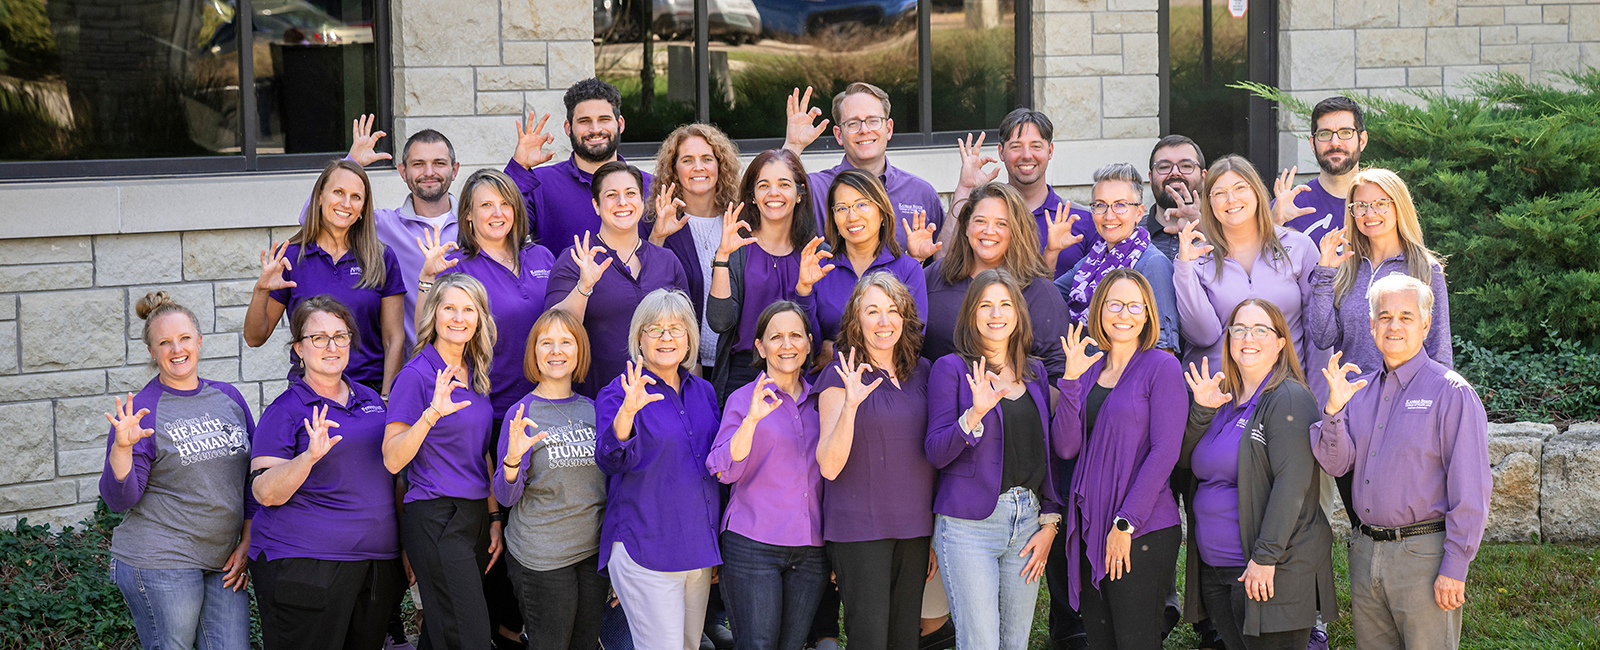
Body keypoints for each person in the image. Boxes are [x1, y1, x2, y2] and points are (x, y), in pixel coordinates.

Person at [416, 167, 556, 648]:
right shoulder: (458, 264)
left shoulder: (542, 257)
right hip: (490, 415)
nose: (497, 213)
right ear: (468, 219)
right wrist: (424, 281)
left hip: (544, 409)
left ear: (516, 211)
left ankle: (516, 625)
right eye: (484, 206)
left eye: (504, 204)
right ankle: (500, 630)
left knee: (536, 521)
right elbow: (429, 330)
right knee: (497, 531)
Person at [1314, 274, 1490, 650]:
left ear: (1426, 324)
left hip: (1423, 558)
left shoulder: (1452, 393)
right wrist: (1333, 410)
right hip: (1365, 554)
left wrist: (1455, 568)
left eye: (1406, 317)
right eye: (1385, 316)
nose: (1394, 326)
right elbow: (1335, 464)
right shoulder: (1359, 394)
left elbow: (1471, 489)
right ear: (1372, 324)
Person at [249, 296, 406, 650]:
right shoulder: (286, 410)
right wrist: (308, 457)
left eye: (340, 335)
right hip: (306, 566)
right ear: (299, 349)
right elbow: (265, 493)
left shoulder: (371, 401)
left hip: (376, 566)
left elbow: (394, 477)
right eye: (318, 338)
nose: (331, 346)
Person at [1177, 299, 1336, 650]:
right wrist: (1202, 410)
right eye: (1240, 329)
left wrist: (1265, 558)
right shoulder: (1224, 400)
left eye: (1261, 329)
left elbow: (1292, 486)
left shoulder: (1289, 398)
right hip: (1218, 570)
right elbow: (1186, 461)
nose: (1249, 336)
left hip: (1266, 570)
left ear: (1281, 342)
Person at [100, 291, 255, 650]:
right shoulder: (142, 411)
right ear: (153, 353)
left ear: (199, 341)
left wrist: (246, 540)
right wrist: (122, 448)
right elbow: (120, 499)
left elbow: (251, 479)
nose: (177, 349)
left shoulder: (228, 397)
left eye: (184, 338)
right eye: (164, 342)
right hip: (160, 558)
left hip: (222, 560)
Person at [1308, 168, 1451, 534]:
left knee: (1398, 520)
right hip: (1353, 414)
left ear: (1398, 205)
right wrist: (1325, 272)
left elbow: (1439, 349)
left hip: (1404, 415)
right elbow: (1323, 337)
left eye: (1379, 203)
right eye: (1360, 206)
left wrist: (1430, 416)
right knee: (1362, 522)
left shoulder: (1424, 268)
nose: (1370, 213)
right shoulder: (1346, 266)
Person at [925, 269, 1062, 650]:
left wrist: (1049, 521)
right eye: (985, 305)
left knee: (1014, 643)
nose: (995, 313)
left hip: (1028, 524)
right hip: (969, 526)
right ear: (971, 314)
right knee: (980, 643)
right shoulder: (950, 369)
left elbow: (1046, 452)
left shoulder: (1034, 373)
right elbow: (936, 452)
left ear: (1018, 313)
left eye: (1004, 304)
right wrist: (973, 417)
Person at [1052, 269, 1186, 650]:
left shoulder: (1162, 367)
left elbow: (1165, 453)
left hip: (1140, 528)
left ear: (1147, 314)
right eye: (1114, 304)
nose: (1123, 314)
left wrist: (1125, 524)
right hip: (1092, 522)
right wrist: (1071, 381)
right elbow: (1066, 447)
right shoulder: (1090, 368)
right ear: (1099, 310)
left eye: (1133, 305)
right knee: (1101, 640)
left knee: (1135, 641)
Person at [813, 272, 937, 650]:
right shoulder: (840, 374)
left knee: (904, 639)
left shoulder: (924, 372)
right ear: (856, 320)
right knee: (869, 638)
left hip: (915, 528)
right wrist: (851, 404)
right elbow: (829, 465)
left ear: (905, 317)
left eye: (892, 311)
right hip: (859, 529)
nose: (884, 322)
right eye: (872, 312)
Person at [595, 289, 723, 650]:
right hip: (645, 547)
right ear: (639, 338)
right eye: (655, 329)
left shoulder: (704, 393)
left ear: (690, 339)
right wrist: (627, 414)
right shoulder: (620, 392)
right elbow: (608, 460)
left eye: (677, 328)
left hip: (697, 550)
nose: (666, 337)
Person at [383, 273, 502, 650]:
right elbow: (391, 458)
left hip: (474, 517)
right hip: (435, 516)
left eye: (468, 309)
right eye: (449, 307)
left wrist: (494, 516)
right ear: (433, 313)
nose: (458, 317)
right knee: (470, 637)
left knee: (441, 634)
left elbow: (480, 452)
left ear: (480, 318)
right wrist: (431, 413)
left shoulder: (477, 374)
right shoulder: (415, 375)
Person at [707, 301, 829, 650]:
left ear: (808, 343)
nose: (786, 345)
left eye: (795, 335)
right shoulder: (744, 399)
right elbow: (722, 469)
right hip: (752, 544)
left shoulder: (823, 400)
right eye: (776, 337)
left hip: (810, 550)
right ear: (760, 347)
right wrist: (751, 421)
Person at [494, 310, 610, 650]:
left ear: (579, 352)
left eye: (565, 342)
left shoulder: (595, 409)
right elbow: (505, 496)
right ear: (534, 353)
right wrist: (513, 460)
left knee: (585, 645)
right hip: (540, 557)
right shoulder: (522, 414)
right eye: (546, 343)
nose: (556, 351)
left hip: (591, 554)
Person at [248, 159, 406, 394]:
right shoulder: (291, 255)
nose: (346, 203)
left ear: (363, 208)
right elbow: (255, 338)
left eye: (356, 197)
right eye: (338, 192)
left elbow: (394, 339)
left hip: (367, 391)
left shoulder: (381, 257)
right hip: (309, 391)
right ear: (319, 198)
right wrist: (261, 291)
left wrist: (386, 398)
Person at [301, 115, 462, 345]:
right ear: (403, 172)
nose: (429, 172)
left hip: (470, 362)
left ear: (454, 170)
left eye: (439, 163)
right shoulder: (383, 226)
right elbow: (311, 217)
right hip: (411, 365)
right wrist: (352, 163)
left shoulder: (473, 223)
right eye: (418, 164)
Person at [547, 161, 690, 398]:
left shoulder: (667, 260)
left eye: (630, 193)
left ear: (642, 202)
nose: (622, 202)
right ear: (596, 205)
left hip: (661, 401)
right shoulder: (576, 259)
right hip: (597, 402)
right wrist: (584, 287)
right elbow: (553, 332)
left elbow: (686, 334)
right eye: (611, 195)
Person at [1174, 155, 1318, 382]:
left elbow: (1317, 331)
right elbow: (1203, 336)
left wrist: (1317, 399)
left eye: (1240, 188)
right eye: (1219, 193)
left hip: (1285, 395)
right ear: (1209, 203)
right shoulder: (1197, 259)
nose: (1231, 199)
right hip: (1217, 396)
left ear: (1257, 192)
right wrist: (1184, 269)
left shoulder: (1299, 247)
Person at [706, 149, 824, 403]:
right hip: (743, 375)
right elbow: (719, 322)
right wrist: (722, 257)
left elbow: (816, 338)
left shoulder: (815, 252)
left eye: (784, 184)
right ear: (752, 196)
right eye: (763, 185)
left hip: (798, 374)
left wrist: (804, 288)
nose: (774, 193)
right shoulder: (737, 249)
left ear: (799, 193)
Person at [924, 182, 1072, 381]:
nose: (989, 231)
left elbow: (1057, 371)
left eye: (1001, 224)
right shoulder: (936, 276)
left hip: (1010, 408)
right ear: (966, 226)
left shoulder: (1039, 292)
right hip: (940, 405)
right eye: (980, 221)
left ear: (1015, 231)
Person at [783, 84, 944, 258]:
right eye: (853, 123)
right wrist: (793, 146)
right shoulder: (814, 189)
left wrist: (964, 190)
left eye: (873, 121)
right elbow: (772, 199)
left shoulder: (921, 194)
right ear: (838, 135)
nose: (864, 130)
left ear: (888, 129)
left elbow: (944, 263)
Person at [506, 79, 653, 250]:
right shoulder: (539, 184)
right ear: (568, 128)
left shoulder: (653, 187)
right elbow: (500, 234)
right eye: (584, 121)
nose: (595, 129)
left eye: (604, 119)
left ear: (620, 124)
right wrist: (518, 169)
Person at [645, 123, 744, 373]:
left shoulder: (740, 222)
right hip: (682, 363)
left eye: (707, 159)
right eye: (687, 160)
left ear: (720, 166)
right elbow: (646, 291)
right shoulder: (656, 223)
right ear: (674, 170)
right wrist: (657, 237)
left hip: (733, 363)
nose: (698, 167)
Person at [951, 109, 1097, 276]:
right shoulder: (983, 222)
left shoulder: (1081, 219)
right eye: (1016, 147)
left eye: (1036, 146)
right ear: (1001, 152)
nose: (1027, 156)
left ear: (1050, 151)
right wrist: (965, 188)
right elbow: (944, 261)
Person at [1057, 163, 1180, 354]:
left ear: (1139, 213)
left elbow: (1165, 349)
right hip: (1089, 375)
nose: (1109, 215)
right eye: (1100, 205)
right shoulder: (1093, 261)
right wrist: (1051, 251)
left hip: (1129, 378)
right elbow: (1048, 298)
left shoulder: (1152, 263)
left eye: (1120, 205)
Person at [806, 169, 930, 347]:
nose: (852, 216)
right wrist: (804, 291)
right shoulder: (821, 269)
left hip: (890, 374)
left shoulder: (908, 269)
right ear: (833, 218)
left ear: (882, 211)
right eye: (841, 208)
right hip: (829, 374)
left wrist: (835, 351)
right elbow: (809, 347)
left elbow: (913, 343)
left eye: (862, 204)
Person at [1272, 96, 1369, 246]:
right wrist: (1275, 224)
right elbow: (1257, 264)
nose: (1335, 142)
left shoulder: (1381, 205)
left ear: (1362, 140)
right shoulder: (1287, 206)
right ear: (1312, 144)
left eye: (1345, 132)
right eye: (1325, 134)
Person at [1140, 135, 1208, 261]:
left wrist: (1206, 231)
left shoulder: (1224, 232)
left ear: (1203, 178)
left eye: (1186, 166)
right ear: (1150, 178)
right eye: (1164, 166)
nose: (1175, 172)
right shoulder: (1131, 236)